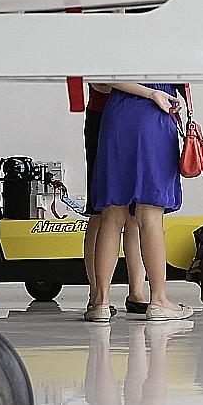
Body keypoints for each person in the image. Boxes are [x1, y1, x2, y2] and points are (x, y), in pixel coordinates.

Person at [85, 83, 203, 322]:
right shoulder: (171, 44)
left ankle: (100, 302)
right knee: (150, 217)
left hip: (115, 117)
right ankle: (158, 300)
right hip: (155, 116)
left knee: (112, 215)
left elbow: (103, 79)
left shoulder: (118, 42)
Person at [82, 82, 149, 315]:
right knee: (102, 210)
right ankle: (98, 293)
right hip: (103, 116)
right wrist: (142, 89)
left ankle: (137, 291)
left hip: (139, 116)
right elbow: (100, 83)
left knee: (137, 209)